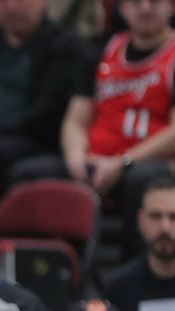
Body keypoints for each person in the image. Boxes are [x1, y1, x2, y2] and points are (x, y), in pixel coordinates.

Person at [11, 0, 175, 248]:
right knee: (28, 174)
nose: (145, 8)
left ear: (171, 7)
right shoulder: (103, 52)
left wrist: (123, 162)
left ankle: (133, 271)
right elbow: (76, 120)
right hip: (96, 161)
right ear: (122, 8)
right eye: (136, 2)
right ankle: (43, 268)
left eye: (154, 1)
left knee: (142, 182)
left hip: (145, 163)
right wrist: (76, 158)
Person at [0, 0, 87, 202]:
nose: (12, 7)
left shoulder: (64, 47)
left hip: (30, 139)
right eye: (3, 2)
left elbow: (48, 114)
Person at [104, 175, 175, 311]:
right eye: (156, 216)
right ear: (141, 221)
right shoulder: (118, 288)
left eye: (173, 217)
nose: (165, 227)